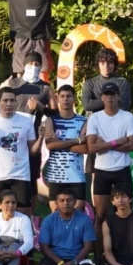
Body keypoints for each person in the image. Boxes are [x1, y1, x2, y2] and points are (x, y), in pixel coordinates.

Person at [86, 82, 133, 236]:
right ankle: (99, 249)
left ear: (118, 97)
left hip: (122, 169)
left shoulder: (128, 116)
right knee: (100, 214)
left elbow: (132, 145)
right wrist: (116, 142)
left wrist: (104, 145)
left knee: (125, 211)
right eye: (106, 94)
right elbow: (92, 147)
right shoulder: (95, 118)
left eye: (112, 94)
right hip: (102, 171)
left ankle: (126, 246)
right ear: (102, 97)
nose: (109, 97)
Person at [0, 87, 40, 213]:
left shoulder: (26, 121)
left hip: (21, 176)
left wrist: (42, 137)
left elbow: (33, 151)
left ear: (16, 102)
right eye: (5, 100)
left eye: (12, 100)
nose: (9, 104)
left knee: (23, 214)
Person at [42, 84, 88, 212]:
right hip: (56, 175)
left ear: (74, 99)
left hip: (76, 175)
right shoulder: (51, 120)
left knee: (78, 213)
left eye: (69, 96)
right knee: (56, 213)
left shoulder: (83, 120)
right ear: (57, 99)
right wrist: (77, 140)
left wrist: (59, 143)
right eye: (62, 96)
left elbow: (85, 149)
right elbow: (50, 145)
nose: (65, 99)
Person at [0, 51, 54, 122]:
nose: (33, 67)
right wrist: (0, 88)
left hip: (33, 128)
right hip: (11, 127)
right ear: (24, 66)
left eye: (36, 64)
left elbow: (55, 115)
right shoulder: (12, 83)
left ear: (40, 67)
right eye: (30, 64)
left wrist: (41, 108)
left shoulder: (46, 88)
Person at [82, 47, 133, 113]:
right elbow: (87, 105)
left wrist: (99, 102)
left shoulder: (122, 82)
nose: (106, 65)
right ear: (98, 64)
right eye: (103, 62)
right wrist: (111, 100)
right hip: (96, 119)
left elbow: (123, 106)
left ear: (114, 64)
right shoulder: (90, 83)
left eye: (110, 62)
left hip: (117, 118)